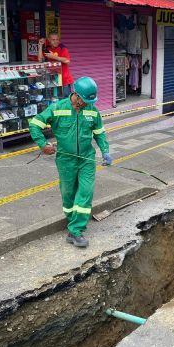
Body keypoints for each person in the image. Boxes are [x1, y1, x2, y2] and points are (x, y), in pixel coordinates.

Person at [29, 77, 111, 248]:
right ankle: (72, 220)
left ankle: (75, 230)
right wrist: (43, 144)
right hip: (66, 160)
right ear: (76, 95)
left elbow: (99, 133)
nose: (87, 104)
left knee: (86, 191)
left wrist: (105, 151)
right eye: (85, 100)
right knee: (68, 193)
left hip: (87, 159)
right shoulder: (57, 108)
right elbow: (35, 124)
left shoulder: (92, 111)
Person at [38, 33, 73, 98]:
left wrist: (54, 57)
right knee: (54, 99)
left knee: (65, 100)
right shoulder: (48, 48)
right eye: (53, 40)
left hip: (64, 80)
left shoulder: (62, 48)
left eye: (57, 39)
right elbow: (40, 60)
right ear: (49, 40)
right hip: (52, 80)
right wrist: (40, 46)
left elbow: (67, 61)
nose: (56, 41)